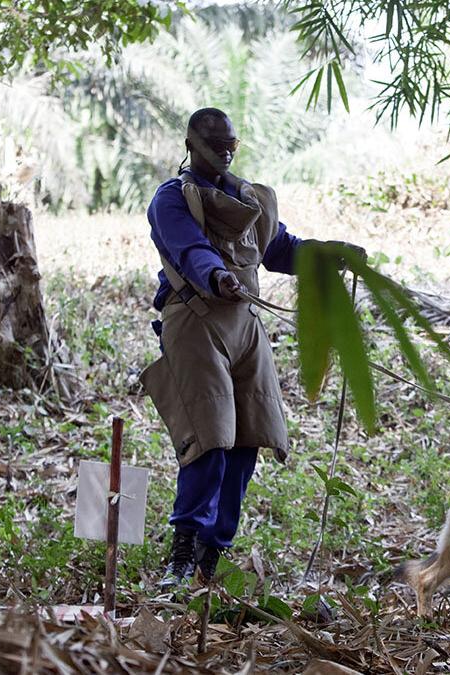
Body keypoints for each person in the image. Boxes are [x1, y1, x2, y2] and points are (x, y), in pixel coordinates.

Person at [139, 107, 364, 589]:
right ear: (191, 145)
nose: (223, 151)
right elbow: (188, 249)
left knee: (249, 441)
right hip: (196, 323)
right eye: (213, 143)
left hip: (245, 326)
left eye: (230, 144)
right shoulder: (172, 199)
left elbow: (280, 248)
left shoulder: (246, 197)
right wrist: (215, 276)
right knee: (210, 441)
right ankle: (180, 556)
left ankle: (211, 557)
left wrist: (330, 255)